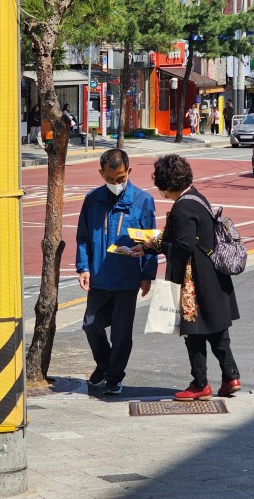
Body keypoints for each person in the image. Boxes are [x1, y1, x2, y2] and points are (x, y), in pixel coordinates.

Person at [143, 154, 241, 402]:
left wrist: (154, 244)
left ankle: (200, 384)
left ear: (168, 184)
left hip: (194, 281)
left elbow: (182, 246)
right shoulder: (197, 197)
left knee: (194, 332)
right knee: (218, 331)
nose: (162, 193)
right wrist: (150, 247)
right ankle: (231, 377)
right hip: (213, 277)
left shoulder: (182, 207)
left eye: (162, 187)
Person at [76, 149, 157, 396]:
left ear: (129, 172)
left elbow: (151, 241)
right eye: (110, 179)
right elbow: (83, 237)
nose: (115, 184)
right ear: (101, 174)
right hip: (99, 278)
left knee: (122, 333)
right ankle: (104, 363)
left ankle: (113, 376)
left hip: (126, 279)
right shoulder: (92, 200)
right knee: (90, 325)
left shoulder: (143, 201)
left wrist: (147, 274)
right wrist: (84, 267)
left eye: (120, 178)